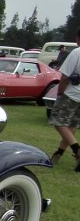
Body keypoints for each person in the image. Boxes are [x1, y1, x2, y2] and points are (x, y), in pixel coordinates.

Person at [47, 27, 80, 171]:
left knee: (58, 122)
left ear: (78, 38)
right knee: (71, 125)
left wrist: (60, 93)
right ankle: (58, 153)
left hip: (71, 94)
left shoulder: (77, 52)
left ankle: (77, 150)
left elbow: (65, 76)